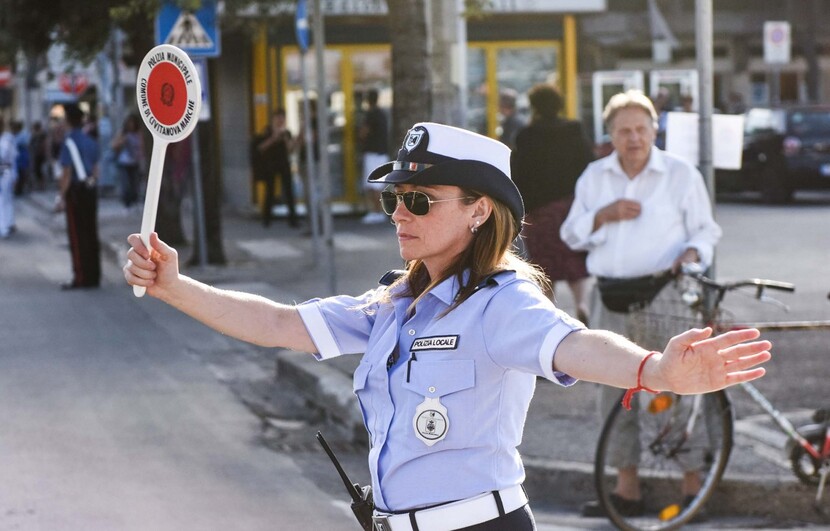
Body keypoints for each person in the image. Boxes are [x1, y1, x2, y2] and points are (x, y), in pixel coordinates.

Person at [124, 121, 769, 530]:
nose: (399, 214)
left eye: (419, 200)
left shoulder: (502, 302)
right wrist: (176, 287)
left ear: (478, 210)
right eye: (392, 200)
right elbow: (279, 323)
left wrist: (653, 369)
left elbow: (573, 344)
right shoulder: (395, 302)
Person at [560, 90, 723, 517]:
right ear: (610, 135)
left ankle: (692, 488)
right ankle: (626, 490)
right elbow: (570, 234)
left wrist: (692, 255)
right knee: (613, 394)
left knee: (678, 389)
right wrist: (603, 215)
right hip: (609, 296)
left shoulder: (680, 174)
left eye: (641, 129)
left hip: (664, 294)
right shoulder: (595, 177)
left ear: (655, 130)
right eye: (623, 130)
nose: (633, 138)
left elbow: (705, 232)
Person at [511, 83, 593, 324]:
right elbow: (588, 164)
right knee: (574, 261)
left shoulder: (527, 135)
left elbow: (519, 173)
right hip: (570, 207)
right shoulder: (573, 129)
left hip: (539, 212)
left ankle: (550, 315)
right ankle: (582, 304)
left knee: (544, 266)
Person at [57, 103, 101, 289]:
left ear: (67, 120)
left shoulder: (69, 142)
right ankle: (94, 275)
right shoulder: (90, 141)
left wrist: (60, 197)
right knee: (91, 231)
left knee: (77, 234)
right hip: (90, 189)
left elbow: (66, 173)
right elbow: (97, 169)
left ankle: (80, 276)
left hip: (75, 191)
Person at [252, 109, 298, 228]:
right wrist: (273, 138)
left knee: (288, 191)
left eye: (282, 118)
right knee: (270, 192)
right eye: (278, 118)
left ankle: (293, 220)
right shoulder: (267, 130)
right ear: (274, 119)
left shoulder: (286, 132)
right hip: (270, 165)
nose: (280, 121)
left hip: (284, 164)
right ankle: (266, 219)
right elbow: (260, 147)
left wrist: (286, 139)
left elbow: (290, 149)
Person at [358, 88, 389, 224]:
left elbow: (363, 132)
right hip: (381, 152)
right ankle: (378, 211)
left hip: (373, 153)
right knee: (377, 184)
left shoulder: (371, 115)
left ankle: (376, 212)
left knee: (372, 184)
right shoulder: (382, 114)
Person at [111, 114, 145, 213]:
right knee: (126, 185)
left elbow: (141, 147)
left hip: (135, 162)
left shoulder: (139, 134)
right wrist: (122, 141)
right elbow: (114, 145)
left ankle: (135, 202)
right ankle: (127, 204)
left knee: (135, 184)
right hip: (124, 162)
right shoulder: (123, 133)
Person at [0, 117, 18, 239]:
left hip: (6, 171)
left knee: (6, 198)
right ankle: (6, 224)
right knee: (3, 199)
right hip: (5, 171)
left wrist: (15, 174)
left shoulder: (7, 138)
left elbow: (11, 157)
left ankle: (6, 225)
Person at [29, 121, 47, 191]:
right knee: (37, 170)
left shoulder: (42, 134)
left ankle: (42, 185)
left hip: (41, 155)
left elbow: (45, 144)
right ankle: (40, 184)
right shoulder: (35, 135)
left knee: (40, 170)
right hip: (37, 154)